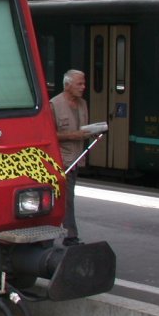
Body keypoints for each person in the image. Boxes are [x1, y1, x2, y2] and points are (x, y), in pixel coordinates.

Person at [50, 69, 90, 246]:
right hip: (62, 161)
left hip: (77, 159)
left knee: (67, 197)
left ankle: (62, 233)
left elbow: (84, 128)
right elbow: (50, 135)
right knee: (67, 198)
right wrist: (74, 135)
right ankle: (70, 236)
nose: (83, 87)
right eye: (79, 84)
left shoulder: (82, 104)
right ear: (67, 85)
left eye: (83, 83)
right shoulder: (54, 105)